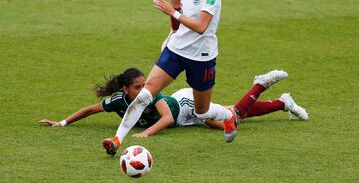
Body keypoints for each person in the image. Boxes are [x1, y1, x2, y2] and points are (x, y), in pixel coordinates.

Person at [100, 0, 291, 156]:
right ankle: (117, 141)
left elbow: (201, 26)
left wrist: (172, 13)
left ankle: (228, 116)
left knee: (202, 111)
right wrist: (174, 30)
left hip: (201, 58)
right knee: (144, 96)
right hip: (175, 51)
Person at [39, 68, 309, 141]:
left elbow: (167, 118)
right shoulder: (119, 101)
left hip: (186, 104)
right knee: (235, 118)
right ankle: (283, 103)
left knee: (233, 117)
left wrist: (146, 133)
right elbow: (89, 109)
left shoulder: (152, 95)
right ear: (125, 90)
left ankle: (261, 84)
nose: (145, 88)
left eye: (145, 84)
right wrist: (61, 123)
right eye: (138, 86)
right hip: (185, 119)